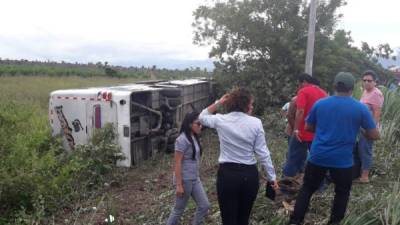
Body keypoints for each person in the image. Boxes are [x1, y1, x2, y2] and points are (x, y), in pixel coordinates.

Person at [288, 72, 380, 225]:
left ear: (334, 86)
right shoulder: (360, 108)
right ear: (352, 88)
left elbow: (309, 127)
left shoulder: (321, 104)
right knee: (342, 193)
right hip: (343, 161)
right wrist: (359, 128)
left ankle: (295, 221)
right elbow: (375, 135)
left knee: (307, 189)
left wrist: (325, 129)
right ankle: (334, 222)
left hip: (318, 156)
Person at [199, 87, 278, 225]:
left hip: (227, 175)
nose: (252, 107)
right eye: (251, 104)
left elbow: (202, 117)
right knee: (243, 218)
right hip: (249, 175)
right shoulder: (256, 123)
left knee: (228, 219)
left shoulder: (221, 120)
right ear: (246, 104)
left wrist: (219, 102)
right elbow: (263, 153)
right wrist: (272, 178)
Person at [166, 112, 210, 225]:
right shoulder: (182, 140)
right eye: (198, 124)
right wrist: (179, 185)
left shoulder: (194, 137)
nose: (200, 126)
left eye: (201, 124)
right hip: (185, 180)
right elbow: (177, 163)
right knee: (178, 210)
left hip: (195, 178)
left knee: (204, 205)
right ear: (190, 124)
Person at [283, 73, 327, 178]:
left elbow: (300, 111)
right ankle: (319, 184)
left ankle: (288, 181)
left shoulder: (303, 91)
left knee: (293, 157)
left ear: (304, 82)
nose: (299, 86)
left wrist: (296, 129)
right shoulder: (324, 94)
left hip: (301, 133)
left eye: (299, 84)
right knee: (318, 159)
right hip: (316, 133)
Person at [358, 70, 384, 183]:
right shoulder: (365, 92)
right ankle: (359, 172)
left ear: (375, 82)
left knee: (366, 150)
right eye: (364, 80)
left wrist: (371, 129)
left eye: (369, 81)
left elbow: (377, 113)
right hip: (361, 127)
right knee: (360, 149)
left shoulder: (376, 94)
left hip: (368, 128)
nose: (366, 83)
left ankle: (365, 176)